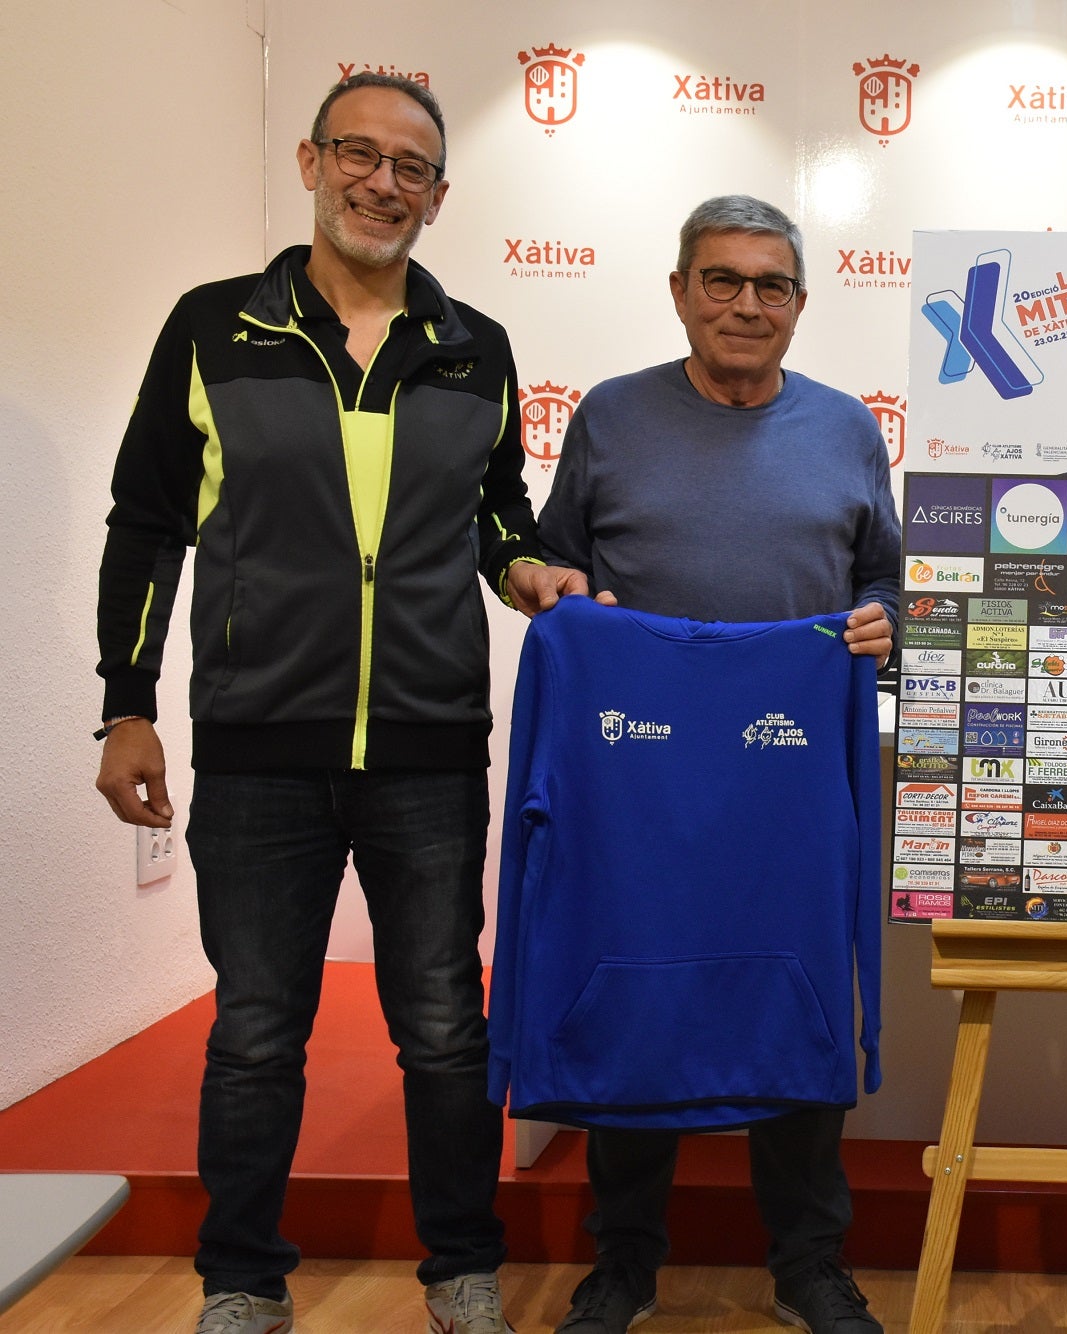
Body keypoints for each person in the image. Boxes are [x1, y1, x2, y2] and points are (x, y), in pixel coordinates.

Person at [91, 74, 586, 1334]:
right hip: (258, 752)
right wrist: (126, 704)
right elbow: (147, 525)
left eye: (411, 165)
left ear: (438, 193)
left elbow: (493, 510)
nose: (383, 182)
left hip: (426, 750)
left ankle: (461, 1267)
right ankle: (243, 1280)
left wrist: (523, 566)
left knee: (440, 1026)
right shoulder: (213, 327)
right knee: (256, 1031)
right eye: (359, 155)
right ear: (312, 163)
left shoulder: (474, 344)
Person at [534, 195, 899, 1334]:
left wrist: (887, 619)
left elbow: (884, 584)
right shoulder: (608, 416)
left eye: (771, 284)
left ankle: (806, 1262)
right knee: (640, 988)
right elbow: (553, 557)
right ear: (681, 289)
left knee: (795, 1003)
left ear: (799, 303)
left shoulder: (846, 429)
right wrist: (544, 585)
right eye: (722, 280)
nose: (746, 304)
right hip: (636, 780)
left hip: (787, 781)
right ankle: (624, 1262)